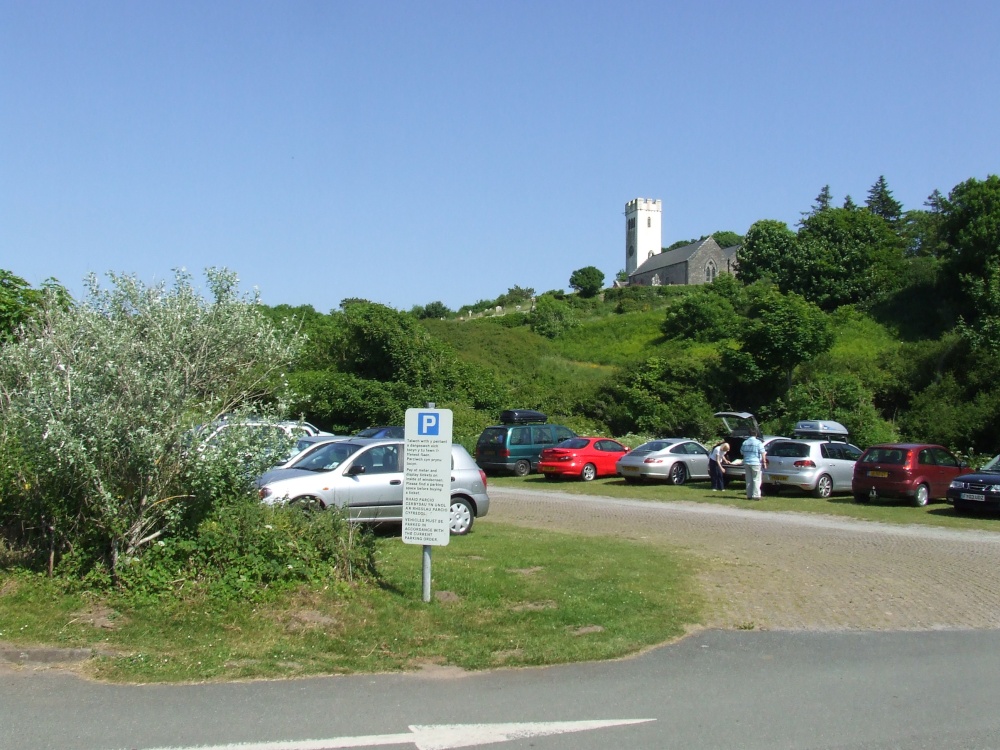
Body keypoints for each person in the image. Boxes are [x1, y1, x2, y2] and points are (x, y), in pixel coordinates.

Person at [740, 434, 768, 500]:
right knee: (756, 479)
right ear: (755, 434)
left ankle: (749, 495)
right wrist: (764, 462)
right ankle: (756, 495)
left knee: (748, 479)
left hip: (747, 462)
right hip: (755, 462)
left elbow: (741, 452)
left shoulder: (745, 442)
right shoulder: (758, 442)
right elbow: (763, 452)